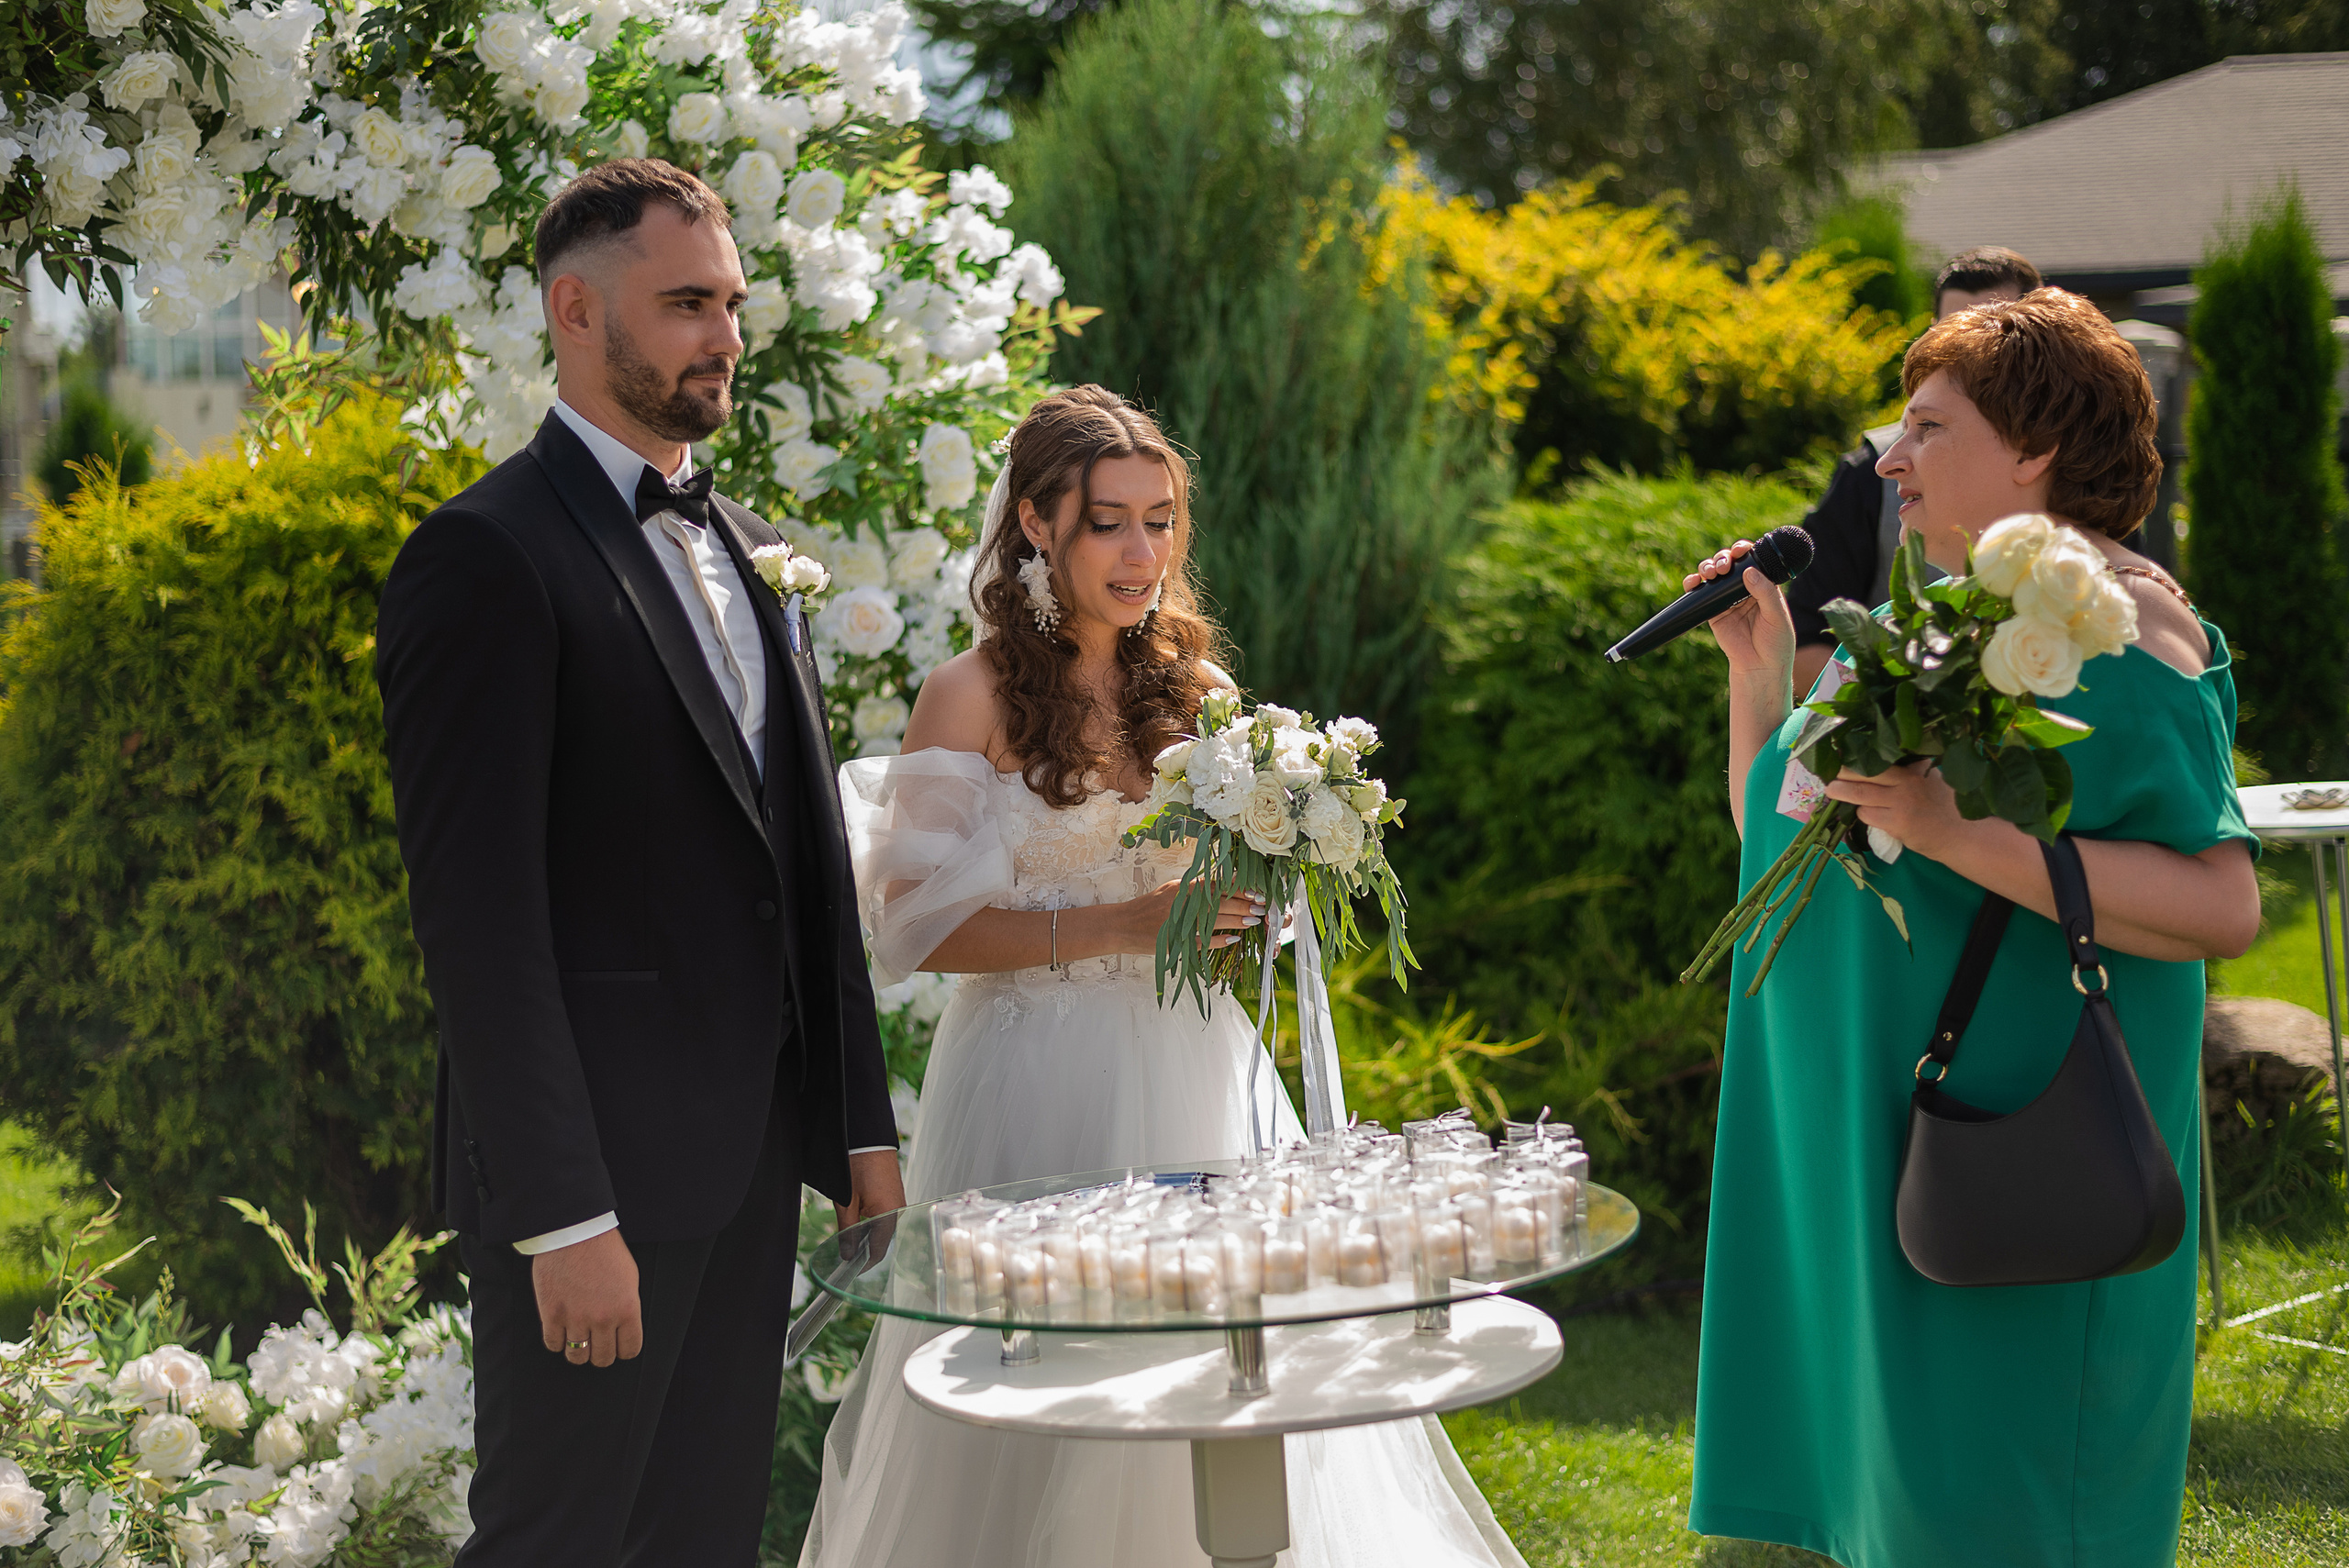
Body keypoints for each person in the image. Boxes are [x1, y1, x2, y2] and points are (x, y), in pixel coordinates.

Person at [801, 386, 1528, 1568]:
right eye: (1109, 523)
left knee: (1223, 1364)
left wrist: (1254, 907)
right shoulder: (968, 693)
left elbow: (1234, 887)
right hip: (1033, 1079)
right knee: (1051, 1381)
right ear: (1037, 520)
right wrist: (1124, 926)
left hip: (1198, 1067)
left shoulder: (1199, 692)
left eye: (1162, 520)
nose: (1143, 553)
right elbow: (913, 931)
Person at [1679, 288, 2262, 1567]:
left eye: (1928, 427)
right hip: (1863, 1134)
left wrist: (1956, 833)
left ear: (2036, 446)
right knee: (1908, 1517)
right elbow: (1784, 843)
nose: (1889, 459)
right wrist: (1758, 673)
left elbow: (2223, 905)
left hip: (2012, 1148)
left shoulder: (2122, 628)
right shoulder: (1930, 613)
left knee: (2002, 1515)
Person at [375, 159, 903, 1565]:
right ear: (575, 311)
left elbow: (803, 863)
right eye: (683, 303)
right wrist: (562, 1217)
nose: (723, 333)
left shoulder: (753, 547)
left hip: (747, 1174)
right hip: (597, 1186)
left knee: (705, 1537)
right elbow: (479, 924)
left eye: (729, 302)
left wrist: (862, 1131)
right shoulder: (482, 558)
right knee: (556, 1540)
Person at [1788, 245, 2044, 695]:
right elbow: (1807, 639)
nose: (1973, 353)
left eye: (2000, 331)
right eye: (1956, 331)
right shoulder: (1871, 472)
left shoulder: (2081, 483)